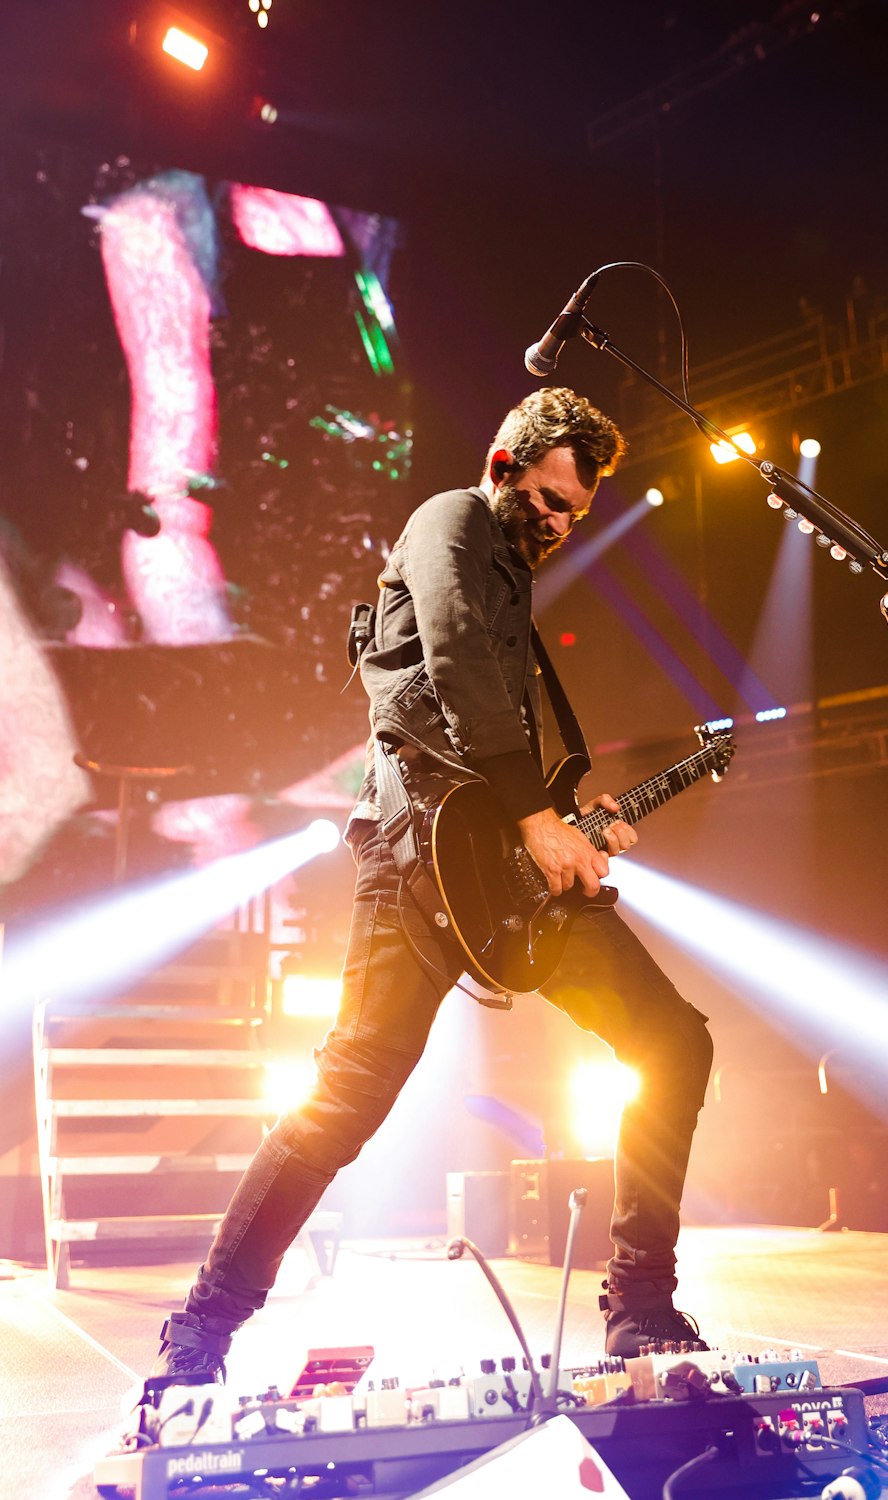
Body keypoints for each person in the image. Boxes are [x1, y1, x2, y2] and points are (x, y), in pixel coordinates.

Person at [147, 386, 714, 1389]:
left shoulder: (511, 573)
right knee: (348, 1097)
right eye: (545, 499)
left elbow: (489, 718)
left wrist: (570, 825)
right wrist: (541, 823)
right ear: (503, 465)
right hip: (411, 862)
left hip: (499, 872)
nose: (556, 524)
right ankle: (202, 1327)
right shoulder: (447, 520)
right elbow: (450, 661)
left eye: (573, 514)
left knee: (672, 1038)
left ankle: (640, 1301)